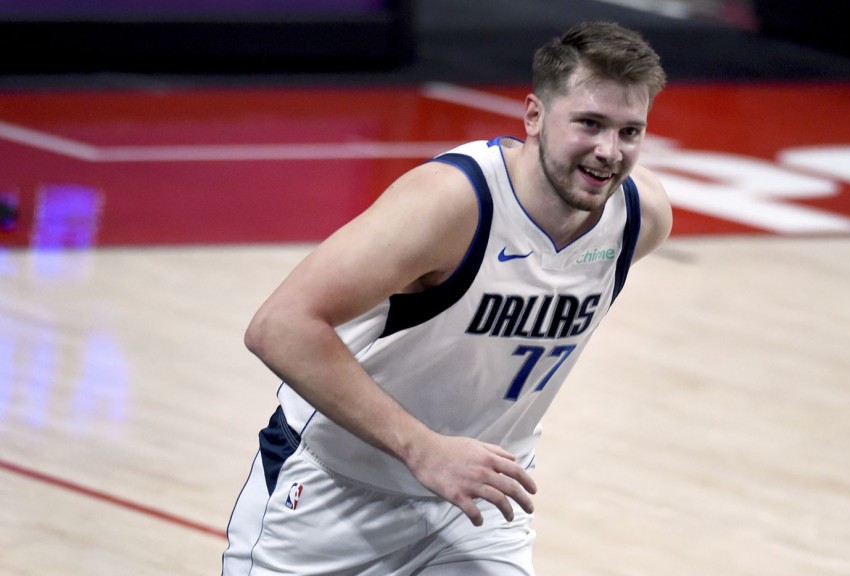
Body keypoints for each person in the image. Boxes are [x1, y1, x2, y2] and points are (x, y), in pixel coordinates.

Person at [222, 20, 671, 576]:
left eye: (630, 132)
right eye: (590, 124)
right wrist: (424, 449)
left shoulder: (640, 219)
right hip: (333, 492)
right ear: (534, 116)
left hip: (480, 499)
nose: (609, 151)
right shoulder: (453, 203)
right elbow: (278, 326)